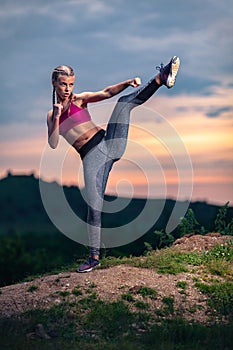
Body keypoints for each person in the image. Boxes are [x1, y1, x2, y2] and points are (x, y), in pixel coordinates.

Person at [47, 56, 180, 272]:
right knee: (93, 206)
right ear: (54, 83)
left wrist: (126, 83)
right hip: (91, 158)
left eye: (71, 84)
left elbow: (107, 93)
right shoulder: (52, 115)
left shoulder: (80, 100)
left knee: (123, 104)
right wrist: (56, 117)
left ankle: (161, 76)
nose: (68, 88)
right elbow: (53, 143)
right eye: (63, 84)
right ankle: (93, 258)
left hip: (108, 142)